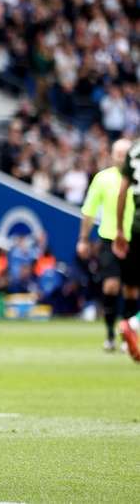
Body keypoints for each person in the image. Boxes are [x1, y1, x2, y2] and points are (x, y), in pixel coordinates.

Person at [77, 139, 135, 352]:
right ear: (111, 155)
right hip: (109, 238)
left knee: (131, 290)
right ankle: (110, 333)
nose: (121, 157)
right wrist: (83, 238)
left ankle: (128, 336)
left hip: (133, 239)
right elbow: (89, 210)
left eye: (125, 153)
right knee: (111, 285)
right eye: (118, 153)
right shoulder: (103, 178)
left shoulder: (137, 179)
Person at [113, 138, 140, 362]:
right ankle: (132, 323)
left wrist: (120, 229)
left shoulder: (134, 150)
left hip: (136, 227)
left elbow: (123, 192)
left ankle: (132, 323)